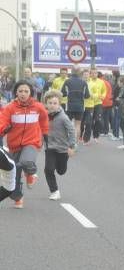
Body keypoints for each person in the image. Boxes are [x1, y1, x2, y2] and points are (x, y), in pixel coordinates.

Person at [0, 80, 49, 208]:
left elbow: (44, 120)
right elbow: (3, 121)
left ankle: (30, 173)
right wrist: (2, 129)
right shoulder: (10, 107)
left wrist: (45, 134)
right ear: (16, 92)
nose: (23, 94)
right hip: (14, 144)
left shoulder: (38, 107)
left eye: (26, 91)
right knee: (14, 174)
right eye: (20, 91)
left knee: (27, 162)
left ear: (31, 93)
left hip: (31, 142)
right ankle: (17, 197)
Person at [43, 90, 76, 201]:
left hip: (62, 149)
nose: (52, 105)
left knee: (61, 171)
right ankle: (54, 191)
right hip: (50, 147)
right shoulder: (44, 116)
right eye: (50, 103)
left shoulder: (63, 117)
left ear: (59, 104)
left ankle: (61, 164)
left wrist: (71, 146)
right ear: (46, 104)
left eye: (55, 103)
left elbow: (71, 130)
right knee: (48, 169)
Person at [62, 67, 90, 143]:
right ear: (79, 72)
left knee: (68, 124)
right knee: (77, 125)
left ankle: (68, 142)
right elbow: (87, 95)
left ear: (71, 71)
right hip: (80, 106)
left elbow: (63, 93)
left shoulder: (67, 81)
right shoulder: (83, 82)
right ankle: (75, 143)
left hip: (70, 106)